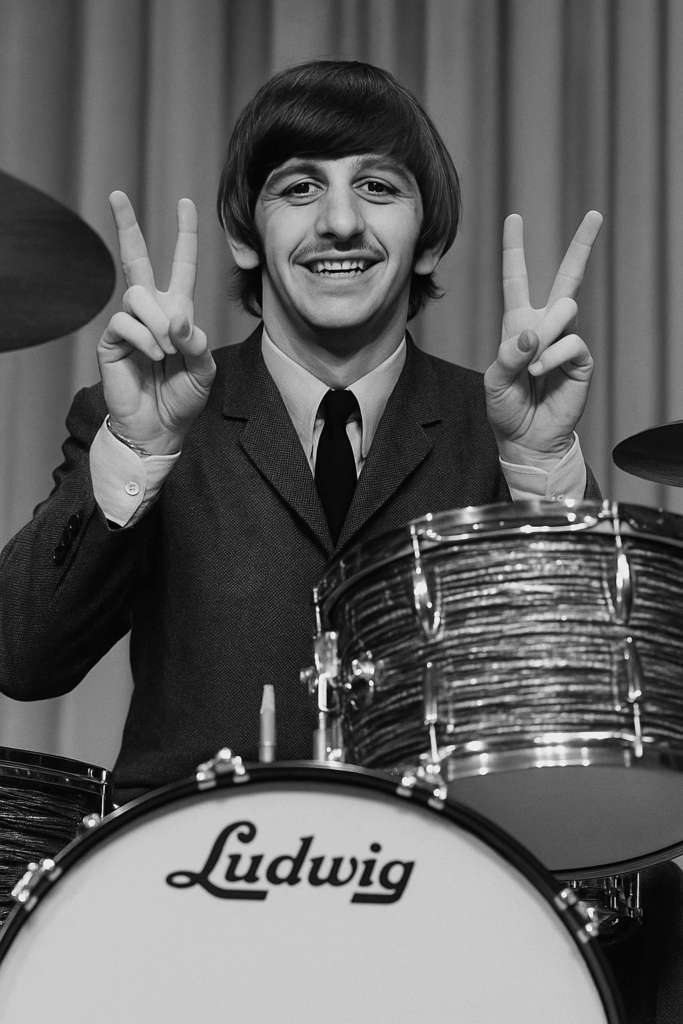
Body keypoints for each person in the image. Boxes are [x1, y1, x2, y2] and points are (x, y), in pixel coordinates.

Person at [0, 60, 601, 804]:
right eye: (299, 187)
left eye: (377, 188)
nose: (340, 221)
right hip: (189, 883)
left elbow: (594, 697)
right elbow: (23, 659)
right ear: (247, 236)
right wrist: (139, 449)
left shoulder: (501, 425)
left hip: (436, 881)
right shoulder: (141, 412)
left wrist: (539, 466)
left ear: (429, 241)